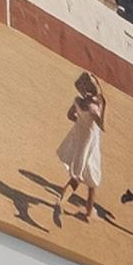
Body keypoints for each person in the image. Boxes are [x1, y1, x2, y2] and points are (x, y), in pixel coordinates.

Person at [55, 72, 107, 225]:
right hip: (90, 145)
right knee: (83, 179)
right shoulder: (94, 106)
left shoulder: (79, 101)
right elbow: (102, 125)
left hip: (81, 139)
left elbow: (70, 115)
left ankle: (88, 213)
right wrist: (105, 106)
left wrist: (82, 122)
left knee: (90, 179)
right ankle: (60, 203)